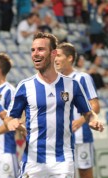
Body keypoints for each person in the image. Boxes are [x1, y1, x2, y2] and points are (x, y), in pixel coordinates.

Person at [6, 32, 104, 178]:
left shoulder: (72, 84)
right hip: (33, 160)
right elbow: (10, 117)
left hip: (63, 160)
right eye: (33, 50)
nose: (35, 54)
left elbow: (89, 112)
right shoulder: (24, 86)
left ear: (53, 53)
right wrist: (13, 122)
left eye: (40, 49)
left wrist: (93, 120)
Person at [55, 42, 100, 178]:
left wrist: (81, 120)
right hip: (61, 139)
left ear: (69, 58)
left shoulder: (82, 77)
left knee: (85, 173)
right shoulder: (55, 81)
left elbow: (95, 106)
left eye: (59, 55)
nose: (55, 59)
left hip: (81, 137)